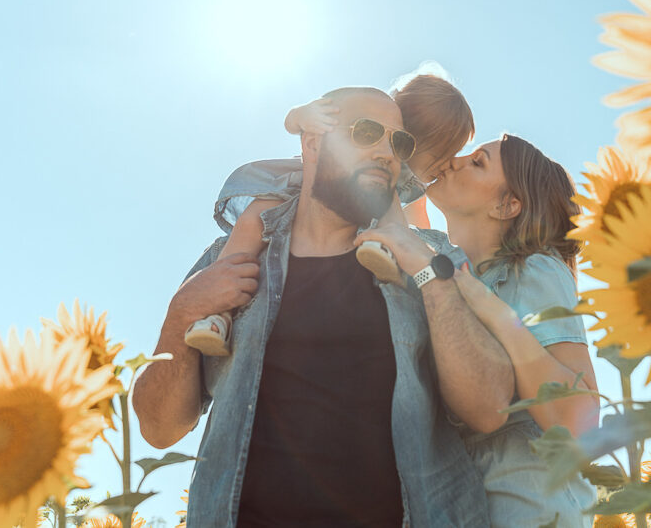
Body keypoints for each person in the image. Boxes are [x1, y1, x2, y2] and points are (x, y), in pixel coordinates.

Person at [131, 86, 513, 527]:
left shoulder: (432, 258)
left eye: (399, 142)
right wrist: (182, 313)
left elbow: (490, 410)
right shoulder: (230, 262)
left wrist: (429, 276)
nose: (387, 153)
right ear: (312, 142)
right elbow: (159, 429)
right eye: (366, 132)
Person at [357, 134, 599, 528]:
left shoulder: (534, 270)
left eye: (478, 162)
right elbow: (412, 229)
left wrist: (494, 311)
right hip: (458, 500)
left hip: (531, 504)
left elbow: (579, 414)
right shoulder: (455, 266)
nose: (455, 161)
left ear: (506, 205)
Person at [184, 64, 476, 355]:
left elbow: (413, 221)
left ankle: (383, 249)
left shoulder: (404, 181)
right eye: (440, 155)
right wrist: (304, 114)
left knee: (393, 217)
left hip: (369, 205)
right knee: (253, 221)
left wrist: (416, 247)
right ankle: (218, 313)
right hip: (300, 185)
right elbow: (294, 121)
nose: (441, 166)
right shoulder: (366, 124)